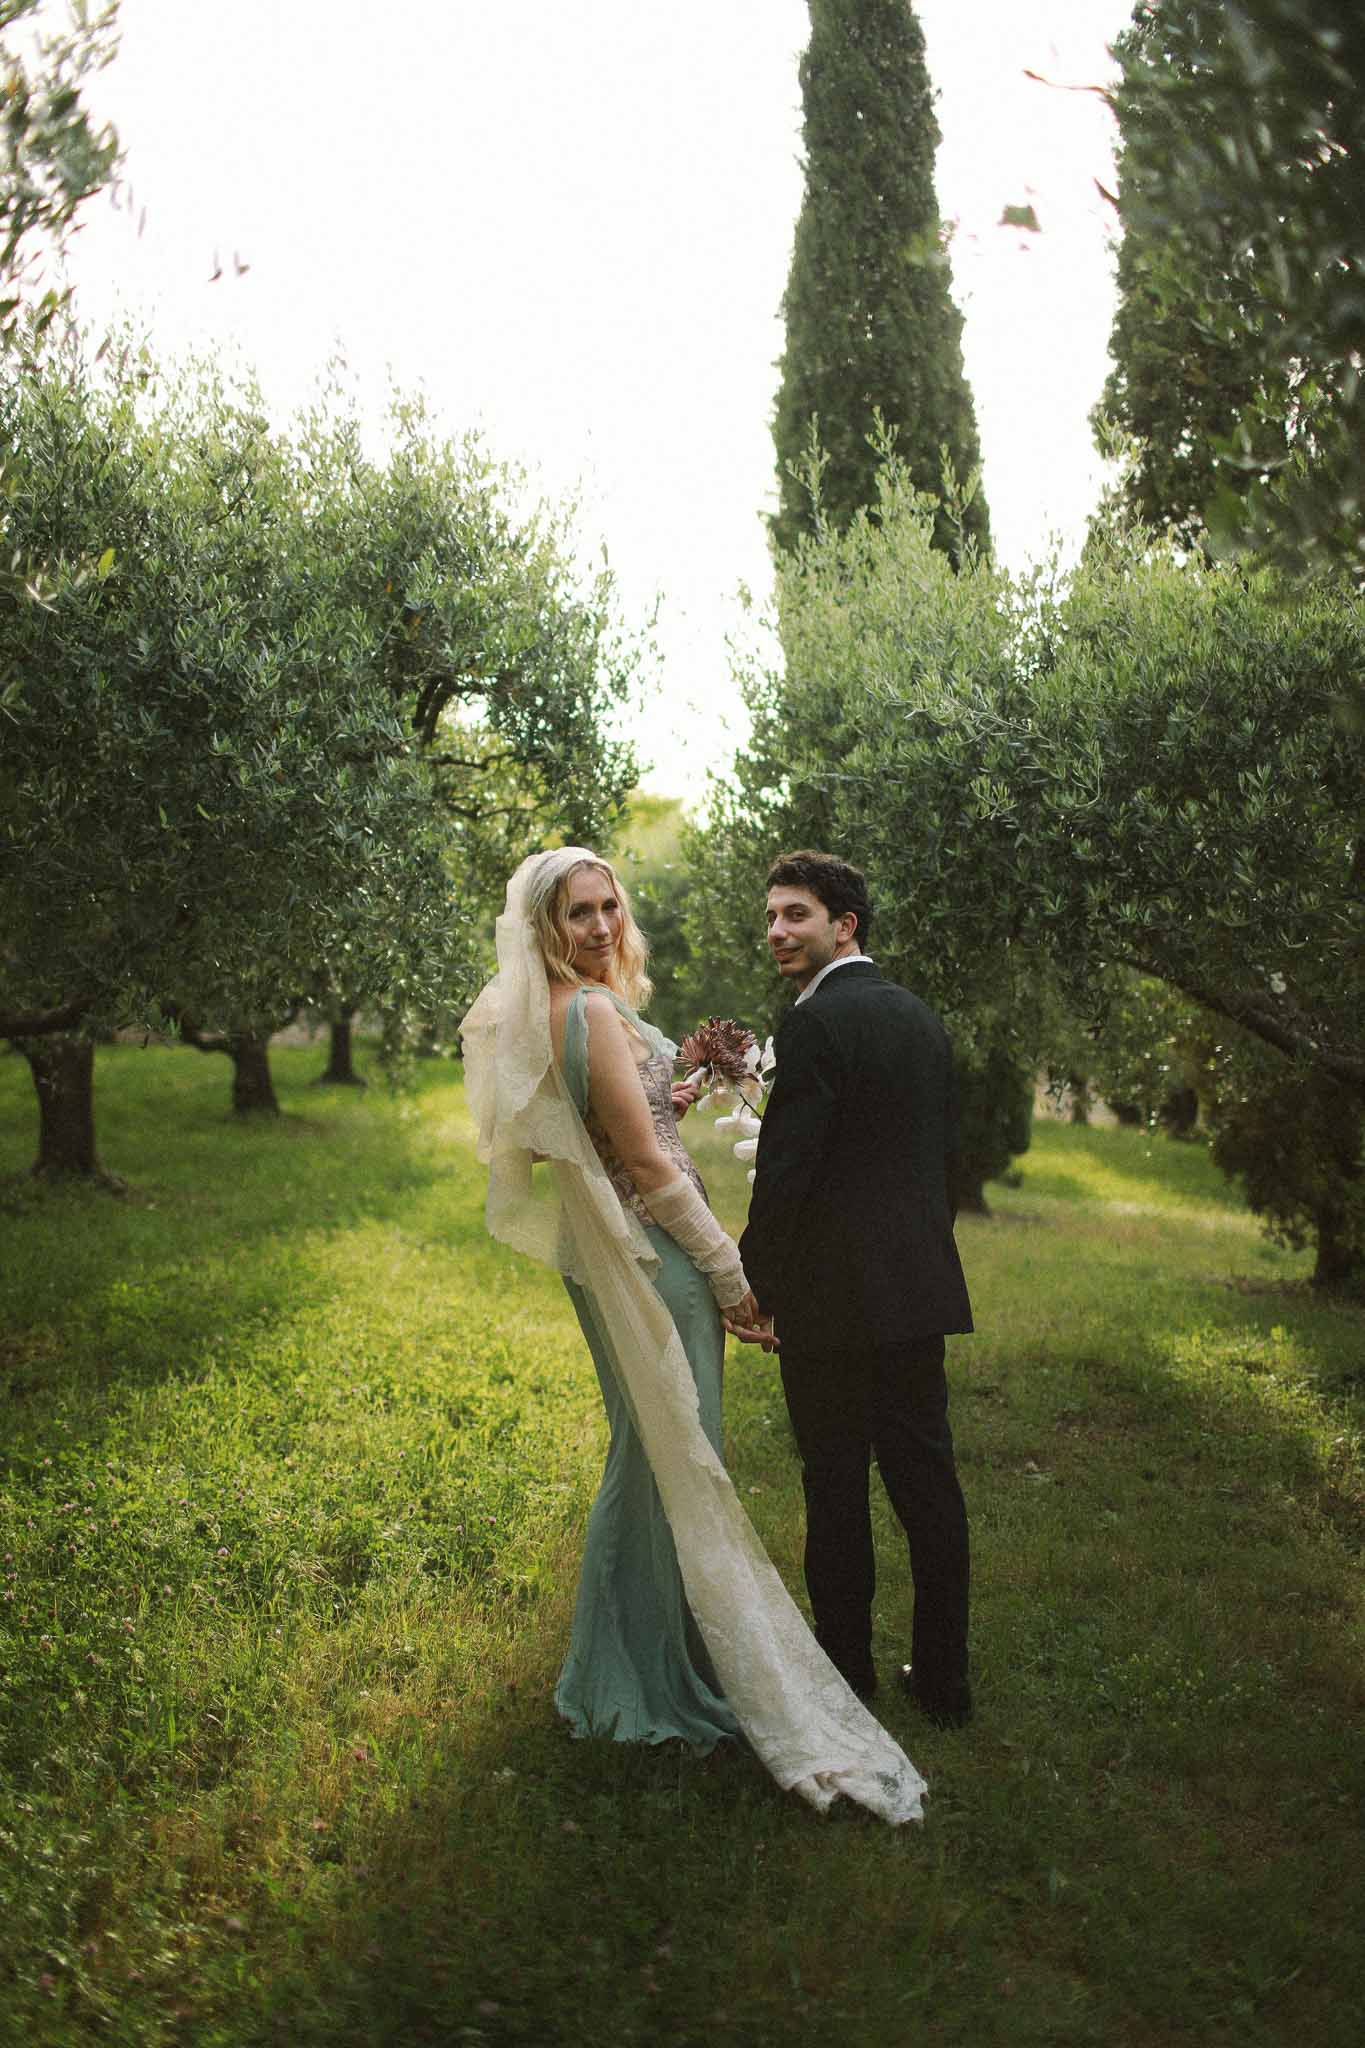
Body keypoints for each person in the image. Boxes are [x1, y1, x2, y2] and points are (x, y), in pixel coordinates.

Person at [460, 847, 927, 1822]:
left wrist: (668, 1100)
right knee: (676, 1453)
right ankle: (639, 1677)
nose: (598, 925)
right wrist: (732, 1276)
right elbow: (648, 1167)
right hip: (658, 1262)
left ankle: (626, 1657)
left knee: (653, 1448)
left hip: (620, 1255)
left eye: (608, 906)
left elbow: (609, 1128)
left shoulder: (567, 1009)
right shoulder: (585, 1008)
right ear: (547, 927)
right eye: (578, 912)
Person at [738, 850, 975, 1728]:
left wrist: (754, 1283)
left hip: (833, 1305)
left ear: (846, 925)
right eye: (770, 917)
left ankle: (845, 1679)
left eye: (795, 915)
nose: (776, 932)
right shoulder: (919, 1018)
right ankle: (945, 1684)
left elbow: (786, 1173)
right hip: (916, 1292)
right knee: (927, 1487)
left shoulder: (814, 1024)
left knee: (835, 1488)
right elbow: (931, 1163)